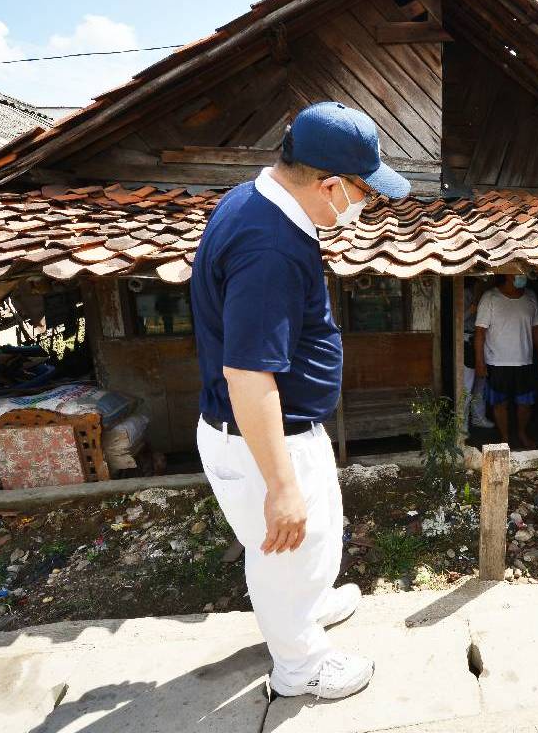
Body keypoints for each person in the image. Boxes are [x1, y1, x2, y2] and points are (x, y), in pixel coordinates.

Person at [190, 101, 411, 700]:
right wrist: (281, 485)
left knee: (311, 542)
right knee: (287, 549)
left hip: (276, 427)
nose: (364, 207)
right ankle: (300, 667)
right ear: (330, 184)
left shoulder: (256, 202)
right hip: (267, 434)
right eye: (364, 194)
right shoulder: (269, 248)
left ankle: (306, 608)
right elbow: (248, 375)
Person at [474, 274, 538, 448]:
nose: (522, 277)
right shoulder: (490, 297)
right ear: (506, 274)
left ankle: (521, 433)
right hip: (497, 361)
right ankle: (504, 438)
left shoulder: (531, 296)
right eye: (517, 273)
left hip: (525, 360)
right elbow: (480, 333)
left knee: (525, 403)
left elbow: (536, 328)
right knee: (499, 403)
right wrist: (480, 362)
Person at [462, 278, 496, 432]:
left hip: (485, 342)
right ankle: (461, 424)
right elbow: (458, 319)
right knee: (466, 386)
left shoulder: (490, 296)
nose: (486, 283)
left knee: (481, 384)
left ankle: (478, 418)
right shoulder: (465, 294)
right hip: (467, 341)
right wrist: (474, 306)